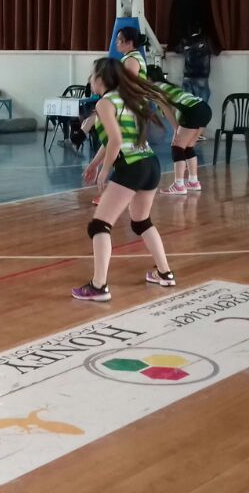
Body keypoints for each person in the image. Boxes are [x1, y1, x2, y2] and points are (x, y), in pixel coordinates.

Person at [72, 57, 176, 302]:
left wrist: (105, 170)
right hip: (150, 163)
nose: (89, 79)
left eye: (92, 75)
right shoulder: (127, 99)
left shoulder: (105, 103)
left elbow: (117, 141)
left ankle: (98, 286)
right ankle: (165, 273)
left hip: (131, 166)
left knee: (99, 226)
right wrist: (95, 163)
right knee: (141, 222)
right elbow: (115, 139)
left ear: (100, 78)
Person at [150, 71, 212, 194]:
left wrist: (176, 130)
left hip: (192, 110)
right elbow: (173, 109)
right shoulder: (169, 87)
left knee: (177, 147)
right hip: (204, 108)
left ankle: (179, 185)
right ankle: (193, 181)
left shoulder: (154, 88)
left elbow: (166, 109)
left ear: (149, 78)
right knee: (188, 147)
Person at [177, 26, 214, 102]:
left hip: (188, 75)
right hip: (201, 75)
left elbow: (178, 49)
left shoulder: (184, 40)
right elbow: (215, 51)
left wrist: (188, 47)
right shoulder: (206, 39)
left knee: (187, 104)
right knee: (202, 105)